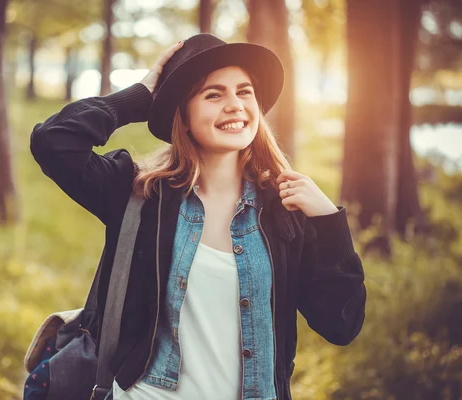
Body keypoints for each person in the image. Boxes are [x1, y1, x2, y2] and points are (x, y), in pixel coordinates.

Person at [30, 33, 366, 400]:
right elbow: (54, 140)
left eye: (245, 91)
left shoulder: (285, 213)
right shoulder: (140, 194)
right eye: (213, 94)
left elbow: (341, 324)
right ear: (184, 116)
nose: (235, 105)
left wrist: (329, 222)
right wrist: (140, 97)